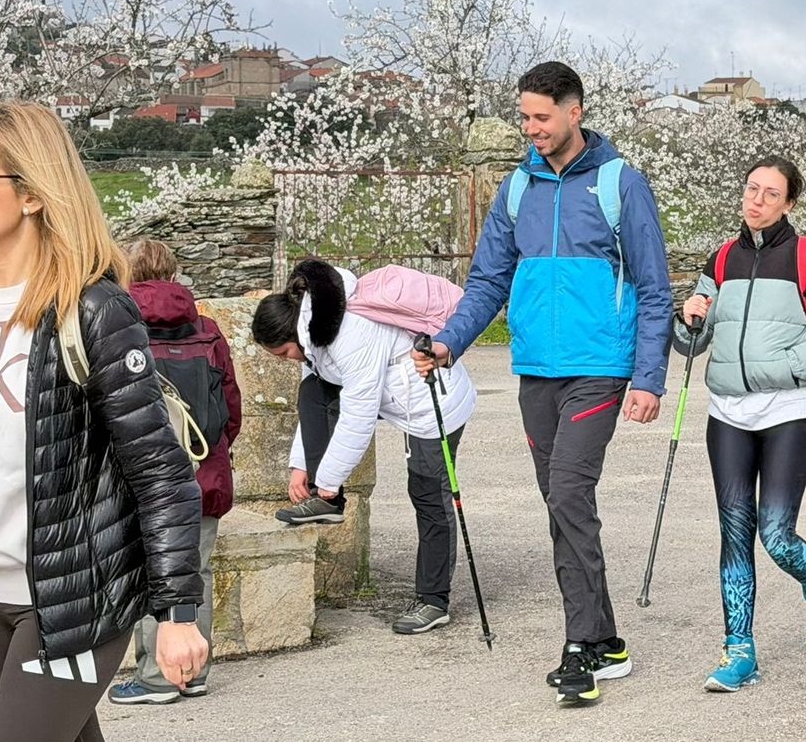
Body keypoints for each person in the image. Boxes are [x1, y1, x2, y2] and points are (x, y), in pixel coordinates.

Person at [0, 101, 208, 741]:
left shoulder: (93, 311)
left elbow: (159, 471)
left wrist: (178, 611)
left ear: (31, 194)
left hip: (72, 600)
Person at [413, 61, 673, 706]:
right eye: (525, 117)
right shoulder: (516, 189)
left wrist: (648, 377)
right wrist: (448, 342)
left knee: (568, 492)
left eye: (541, 117)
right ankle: (607, 640)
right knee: (562, 502)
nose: (531, 128)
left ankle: (579, 647)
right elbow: (487, 282)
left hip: (600, 369)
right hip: (536, 371)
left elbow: (655, 288)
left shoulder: (619, 183)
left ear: (574, 112)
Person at [673, 156, 806, 693]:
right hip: (727, 414)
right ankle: (739, 653)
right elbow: (692, 343)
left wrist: (785, 367)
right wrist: (687, 319)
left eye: (770, 193)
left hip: (787, 412)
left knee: (776, 537)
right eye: (751, 188)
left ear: (789, 203)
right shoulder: (721, 258)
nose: (756, 200)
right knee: (735, 534)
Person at [252, 258, 477, 635]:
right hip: (395, 394)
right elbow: (318, 401)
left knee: (426, 492)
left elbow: (358, 412)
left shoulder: (349, 333)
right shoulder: (315, 332)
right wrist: (302, 466)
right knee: (312, 389)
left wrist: (328, 482)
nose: (288, 360)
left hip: (432, 399)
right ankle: (329, 503)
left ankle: (433, 600)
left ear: (292, 332)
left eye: (283, 354)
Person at [108, 238, 242, 706]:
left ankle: (157, 677)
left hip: (142, 478)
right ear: (173, 272)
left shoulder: (118, 326)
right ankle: (193, 672)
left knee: (152, 571)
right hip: (204, 475)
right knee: (194, 570)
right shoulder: (207, 330)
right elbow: (230, 408)